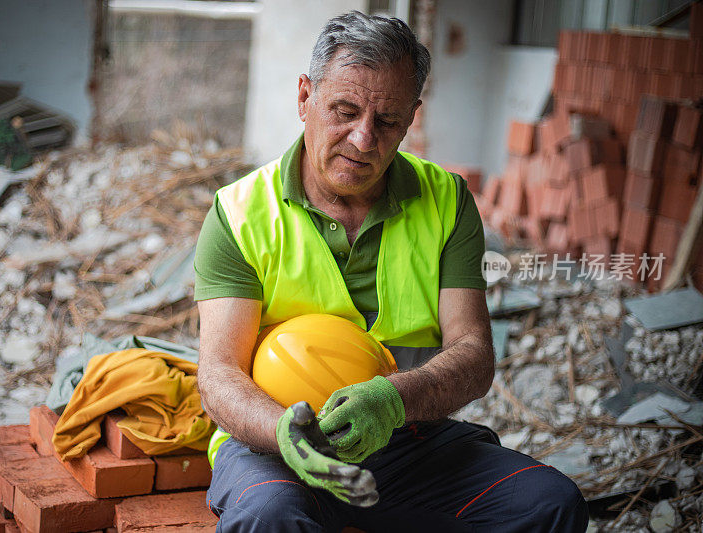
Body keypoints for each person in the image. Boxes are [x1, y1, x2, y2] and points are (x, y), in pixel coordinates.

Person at [194, 10, 588, 532]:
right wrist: (284, 431)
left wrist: (394, 400)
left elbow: (474, 356)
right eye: (344, 110)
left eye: (386, 121)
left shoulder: (447, 202)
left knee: (551, 504)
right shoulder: (239, 213)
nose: (362, 139)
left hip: (406, 439)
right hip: (272, 447)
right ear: (304, 97)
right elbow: (219, 374)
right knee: (269, 517)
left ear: (411, 118)